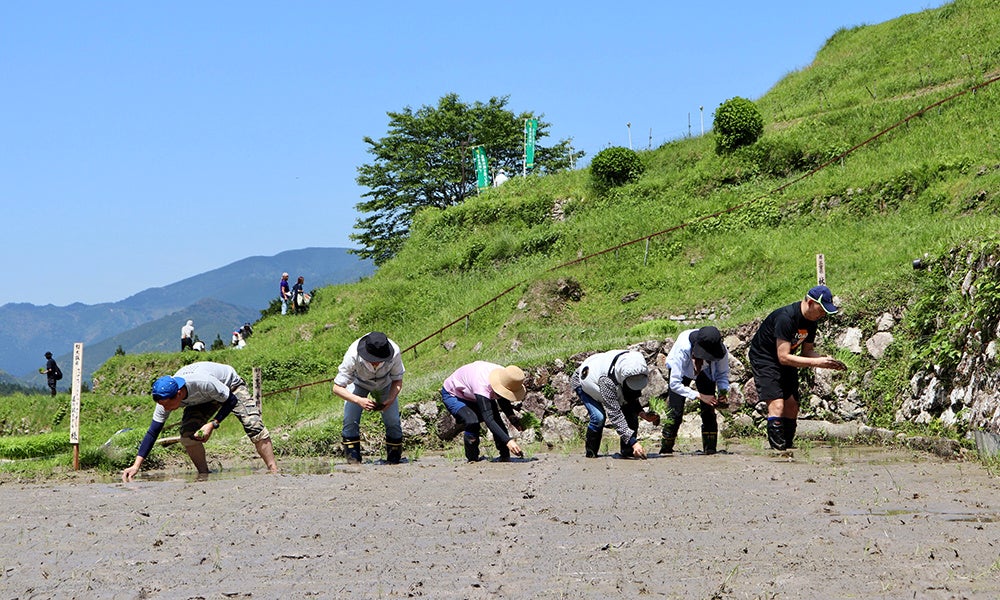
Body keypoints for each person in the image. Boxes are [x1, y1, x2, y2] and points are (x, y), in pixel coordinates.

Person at [121, 361, 279, 481]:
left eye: (167, 404)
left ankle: (274, 471)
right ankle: (204, 475)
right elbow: (153, 432)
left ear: (178, 394)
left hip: (230, 387)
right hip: (201, 399)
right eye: (162, 405)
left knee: (253, 424)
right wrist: (136, 465)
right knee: (187, 435)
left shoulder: (203, 382)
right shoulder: (164, 401)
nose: (165, 408)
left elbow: (231, 400)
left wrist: (213, 424)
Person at [748, 285, 847, 451]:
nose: (823, 314)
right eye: (821, 309)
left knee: (792, 405)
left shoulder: (811, 322)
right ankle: (778, 452)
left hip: (788, 359)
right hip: (765, 359)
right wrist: (816, 363)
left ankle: (787, 447)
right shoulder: (786, 318)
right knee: (777, 405)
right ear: (810, 303)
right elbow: (783, 357)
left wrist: (825, 360)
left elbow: (807, 352)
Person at [333, 332, 405, 464]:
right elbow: (337, 388)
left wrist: (390, 398)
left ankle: (394, 460)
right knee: (350, 419)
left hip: (386, 384)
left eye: (380, 360)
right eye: (372, 360)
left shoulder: (395, 352)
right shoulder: (353, 354)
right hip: (358, 383)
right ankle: (353, 461)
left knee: (393, 420)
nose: (376, 363)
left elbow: (398, 380)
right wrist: (358, 400)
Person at [659, 326, 731, 455]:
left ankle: (710, 451)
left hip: (706, 372)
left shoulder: (721, 350)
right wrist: (699, 395)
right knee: (675, 413)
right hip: (683, 372)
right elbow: (674, 384)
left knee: (709, 409)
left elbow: (722, 374)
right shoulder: (682, 349)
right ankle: (666, 450)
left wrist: (723, 392)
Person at [571, 349, 650, 459]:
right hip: (584, 381)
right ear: (623, 380)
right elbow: (615, 416)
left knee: (631, 415)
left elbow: (631, 397)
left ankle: (628, 452)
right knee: (598, 417)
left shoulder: (636, 367)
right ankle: (591, 455)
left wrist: (642, 413)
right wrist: (634, 442)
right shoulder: (607, 381)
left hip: (603, 377)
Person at [441, 362, 527, 462]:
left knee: (496, 418)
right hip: (454, 394)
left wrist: (512, 417)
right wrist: (508, 441)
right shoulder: (483, 385)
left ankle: (504, 456)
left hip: (472, 392)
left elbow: (503, 397)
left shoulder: (508, 377)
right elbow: (489, 419)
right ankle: (472, 459)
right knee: (472, 421)